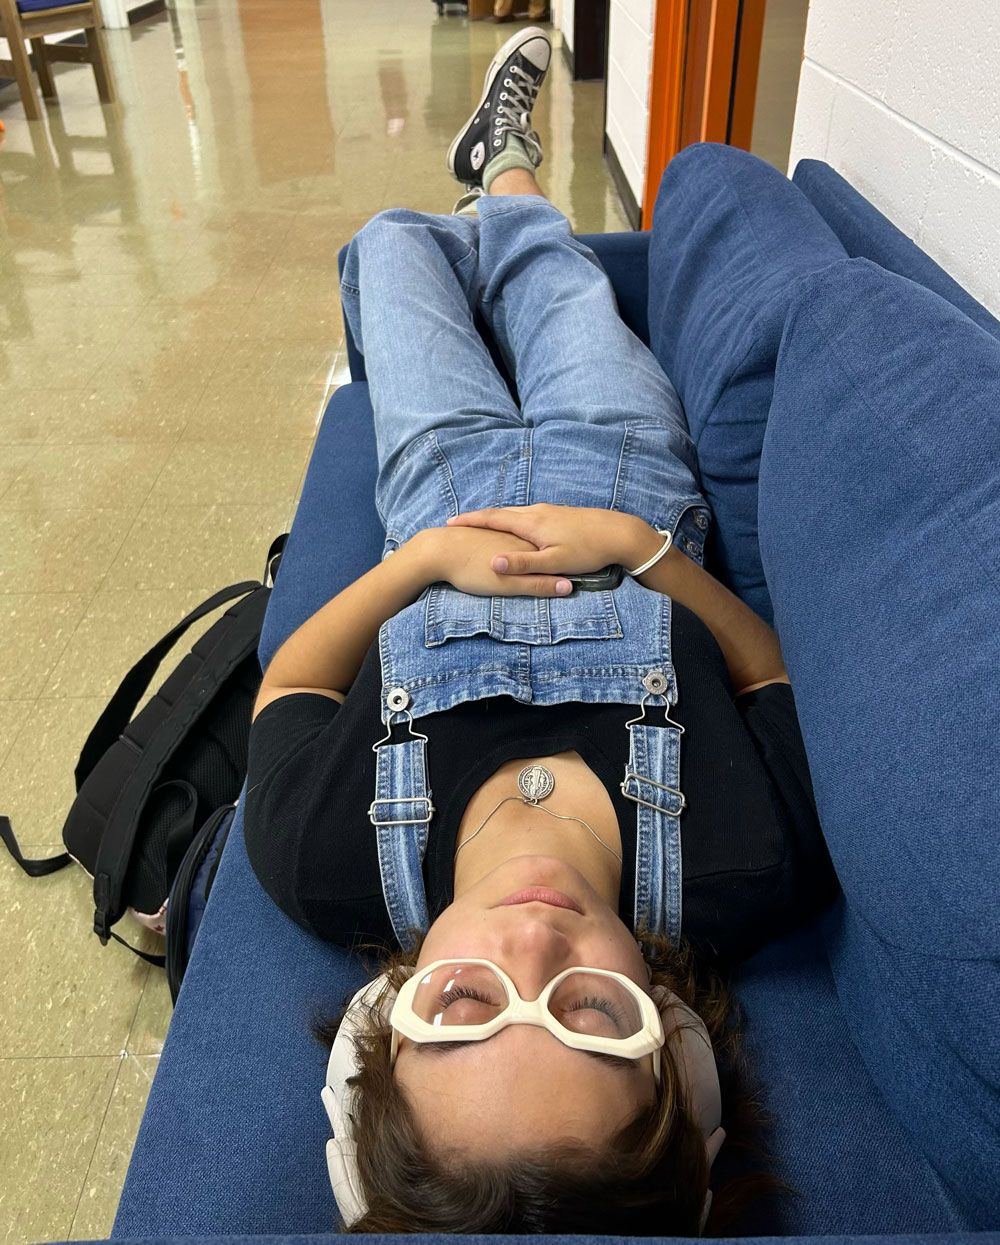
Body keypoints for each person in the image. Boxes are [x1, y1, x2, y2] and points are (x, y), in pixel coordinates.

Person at [243, 27, 838, 1237]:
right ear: (675, 1044)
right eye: (589, 1015)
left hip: (440, 493)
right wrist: (642, 551)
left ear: (378, 1029)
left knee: (390, 244)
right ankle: (505, 160)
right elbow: (765, 670)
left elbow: (291, 683)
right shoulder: (749, 861)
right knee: (545, 266)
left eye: (463, 1005)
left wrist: (421, 561)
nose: (528, 940)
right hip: (626, 477)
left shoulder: (324, 860)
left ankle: (473, 190)